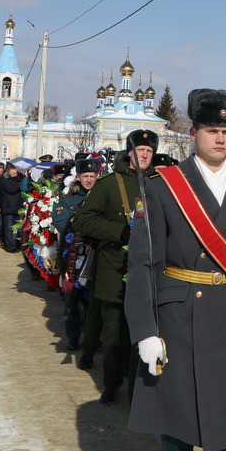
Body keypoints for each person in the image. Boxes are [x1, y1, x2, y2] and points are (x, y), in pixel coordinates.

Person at [127, 89, 226, 451]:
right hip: (177, 319)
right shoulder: (163, 186)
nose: (220, 138)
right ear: (194, 132)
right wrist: (145, 331)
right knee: (176, 427)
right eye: (212, 129)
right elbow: (143, 264)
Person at [72, 128, 159, 405]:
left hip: (151, 271)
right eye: (139, 150)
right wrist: (120, 232)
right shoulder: (110, 183)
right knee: (114, 332)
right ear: (129, 152)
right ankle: (112, 383)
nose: (144, 154)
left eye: (149, 151)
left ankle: (141, 387)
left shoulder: (161, 182)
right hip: (115, 269)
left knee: (145, 332)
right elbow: (83, 221)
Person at [54, 157, 99, 353]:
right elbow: (61, 222)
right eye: (85, 176)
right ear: (78, 177)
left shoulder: (101, 198)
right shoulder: (67, 200)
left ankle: (92, 337)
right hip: (70, 256)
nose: (89, 180)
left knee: (93, 301)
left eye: (93, 176)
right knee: (72, 301)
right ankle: (73, 337)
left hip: (94, 255)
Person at [0, 164, 26, 254]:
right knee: (9, 229)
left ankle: (17, 244)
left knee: (20, 229)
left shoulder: (20, 180)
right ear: (9, 173)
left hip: (19, 207)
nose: (15, 175)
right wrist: (22, 183)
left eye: (16, 173)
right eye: (13, 174)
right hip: (9, 208)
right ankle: (10, 246)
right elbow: (12, 189)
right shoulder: (5, 181)